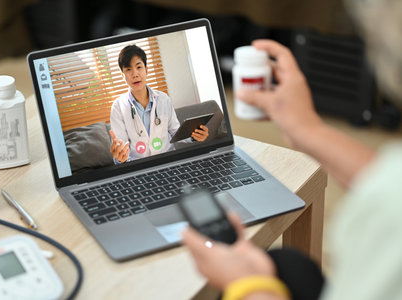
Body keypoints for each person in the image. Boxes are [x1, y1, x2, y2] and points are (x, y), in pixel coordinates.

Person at [182, 0, 402, 299]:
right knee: (289, 266)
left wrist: (247, 284)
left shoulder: (388, 226)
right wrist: (307, 130)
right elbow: (391, 179)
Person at [109, 45, 209, 163]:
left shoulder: (163, 99)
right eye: (128, 69)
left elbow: (175, 131)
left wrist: (194, 135)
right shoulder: (118, 107)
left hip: (168, 161)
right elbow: (121, 148)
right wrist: (120, 158)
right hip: (138, 166)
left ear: (146, 69)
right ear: (123, 75)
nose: (135, 74)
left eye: (139, 67)